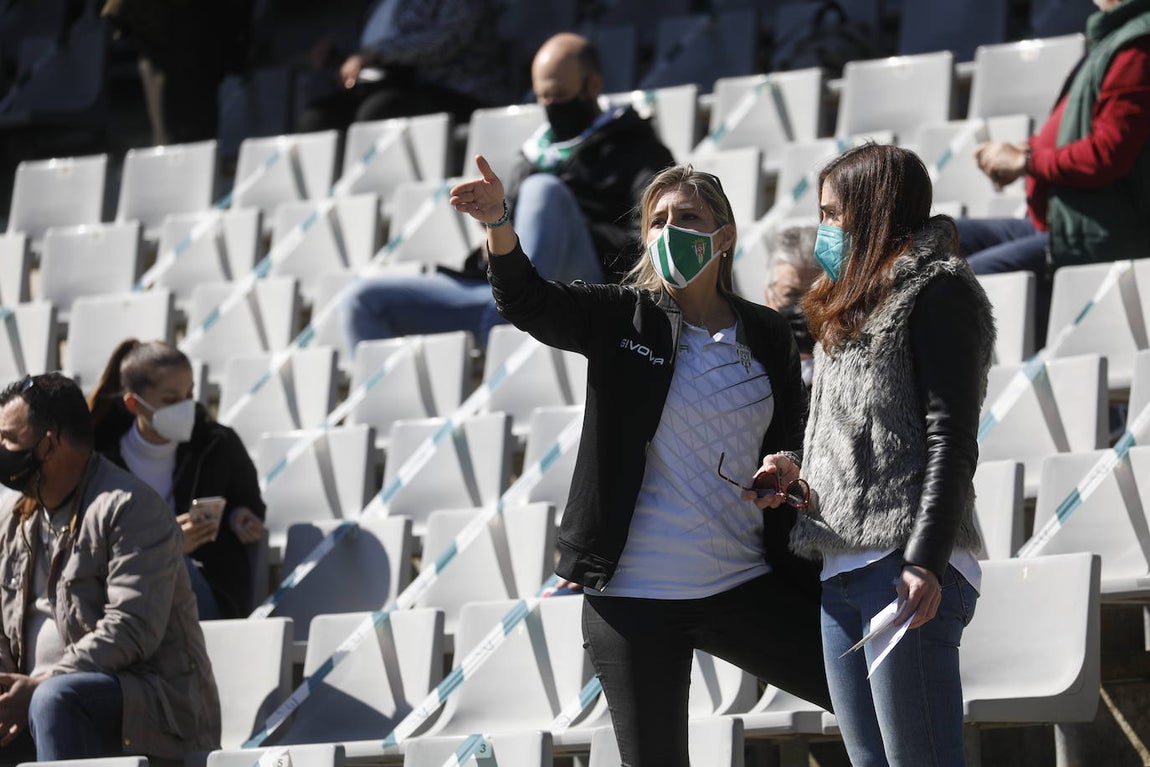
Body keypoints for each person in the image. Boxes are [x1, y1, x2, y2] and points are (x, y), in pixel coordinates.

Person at [450, 157, 830, 765]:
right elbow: (527, 300)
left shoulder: (766, 332)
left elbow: (791, 431)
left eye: (688, 217)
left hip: (743, 582)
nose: (669, 232)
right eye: (657, 221)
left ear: (724, 235)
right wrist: (498, 221)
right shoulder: (620, 316)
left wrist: (783, 463)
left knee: (866, 694)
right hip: (634, 597)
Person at [786, 144, 995, 767]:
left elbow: (950, 437)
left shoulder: (938, 292)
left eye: (832, 213)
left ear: (873, 212)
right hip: (842, 571)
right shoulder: (843, 306)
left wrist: (925, 561)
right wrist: (791, 471)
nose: (822, 229)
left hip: (905, 566)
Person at [342, 32, 676, 352]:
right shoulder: (530, 158)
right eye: (542, 97)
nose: (550, 106)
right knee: (364, 302)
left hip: (584, 293)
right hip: (506, 296)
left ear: (593, 86)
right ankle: (506, 321)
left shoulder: (639, 151)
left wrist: (565, 230)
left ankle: (513, 318)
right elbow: (507, 241)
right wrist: (495, 240)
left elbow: (647, 246)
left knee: (543, 191)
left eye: (558, 96)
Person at [0, 372, 221, 763]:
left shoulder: (130, 508)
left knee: (54, 700)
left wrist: (40, 684)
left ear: (49, 445)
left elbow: (131, 628)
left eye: (8, 441)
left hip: (149, 706)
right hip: (45, 701)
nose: (2, 450)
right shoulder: (15, 521)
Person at [957, 0, 1150, 334]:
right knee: (940, 237)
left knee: (961, 280)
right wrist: (1024, 151)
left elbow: (1106, 155)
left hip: (1093, 234)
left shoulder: (1137, 49)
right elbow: (1078, 132)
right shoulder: (1117, 37)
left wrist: (1027, 162)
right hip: (1061, 222)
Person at [87, 340, 267, 620]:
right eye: (171, 400)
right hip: (119, 595)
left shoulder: (218, 443)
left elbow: (246, 501)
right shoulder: (99, 459)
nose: (185, 407)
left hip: (206, 593)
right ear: (134, 403)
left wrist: (239, 517)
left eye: (189, 394)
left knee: (173, 563)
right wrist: (165, 545)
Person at [297, 0, 513, 133]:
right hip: (393, 87)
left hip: (458, 90)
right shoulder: (378, 5)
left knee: (379, 111)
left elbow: (445, 41)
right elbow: (376, 43)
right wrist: (339, 52)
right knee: (317, 119)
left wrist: (378, 53)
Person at [763, 220, 820, 386]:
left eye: (815, 297)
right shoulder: (748, 366)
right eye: (791, 295)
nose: (803, 308)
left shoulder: (852, 374)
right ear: (769, 297)